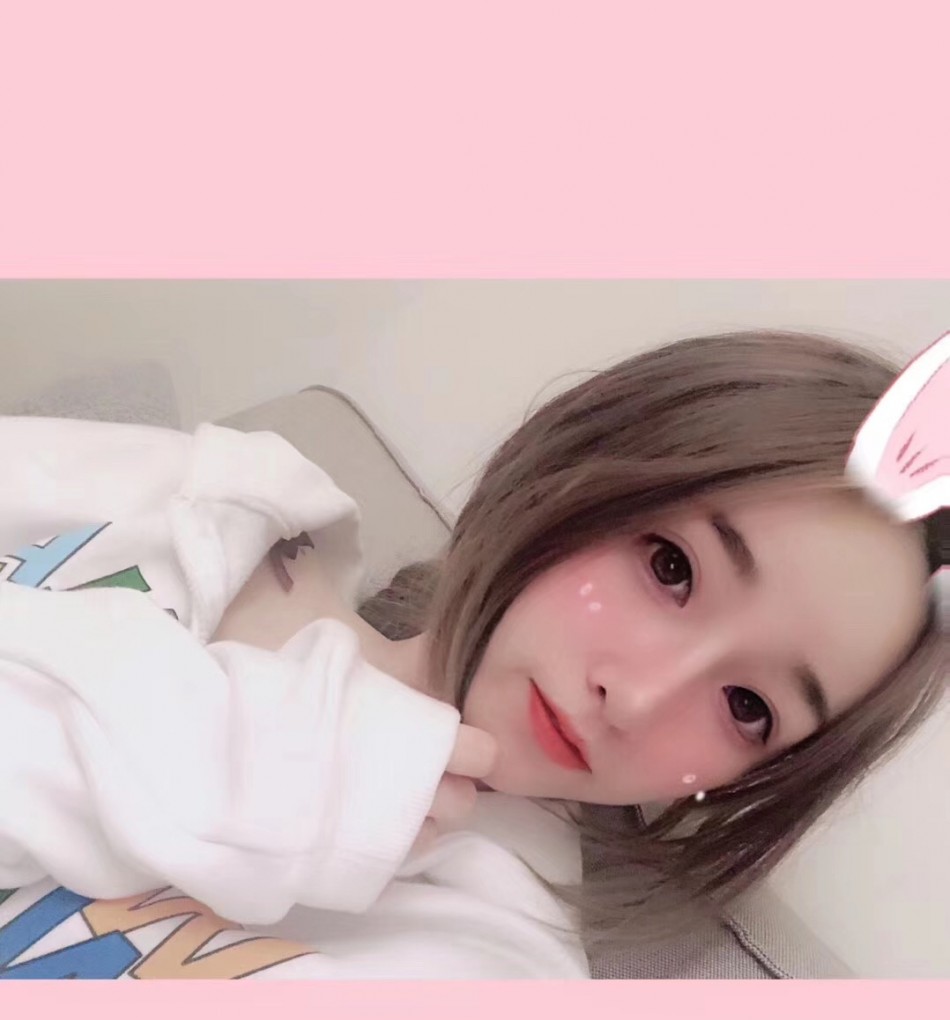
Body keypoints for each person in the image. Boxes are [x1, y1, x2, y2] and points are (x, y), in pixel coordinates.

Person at [0, 329, 945, 979]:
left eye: (748, 708)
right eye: (671, 566)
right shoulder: (225, 500)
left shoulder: (492, 968)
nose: (637, 695)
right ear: (578, 467)